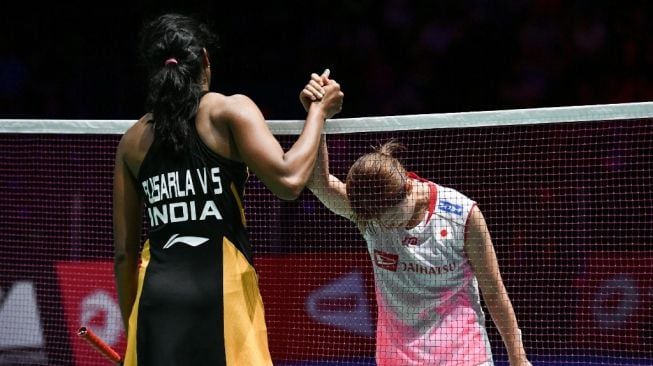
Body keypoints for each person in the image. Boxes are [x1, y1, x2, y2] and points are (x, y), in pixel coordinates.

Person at [112, 13, 343, 366]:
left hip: (155, 301)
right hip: (224, 292)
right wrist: (318, 112)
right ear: (204, 58)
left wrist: (134, 331)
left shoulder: (132, 141)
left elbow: (124, 255)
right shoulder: (228, 110)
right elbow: (289, 181)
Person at [301, 75, 530, 365]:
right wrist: (316, 116)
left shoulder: (463, 215)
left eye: (393, 219)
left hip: (463, 355)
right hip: (398, 358)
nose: (388, 228)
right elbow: (320, 185)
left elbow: (494, 292)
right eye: (381, 223)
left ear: (408, 188)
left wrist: (518, 358)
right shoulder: (372, 217)